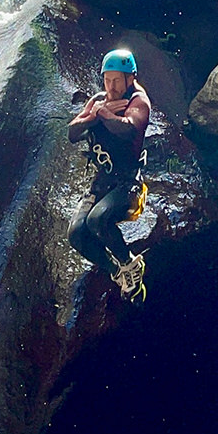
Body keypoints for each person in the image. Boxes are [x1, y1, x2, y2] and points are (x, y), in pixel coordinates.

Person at [68, 48, 151, 301]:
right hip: (102, 181)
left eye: (116, 80)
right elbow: (72, 133)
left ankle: (130, 264)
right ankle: (118, 271)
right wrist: (95, 115)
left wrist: (104, 114)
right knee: (77, 234)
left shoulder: (139, 102)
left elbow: (127, 130)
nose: (111, 86)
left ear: (130, 78)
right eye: (107, 79)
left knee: (97, 220)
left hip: (128, 184)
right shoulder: (98, 100)